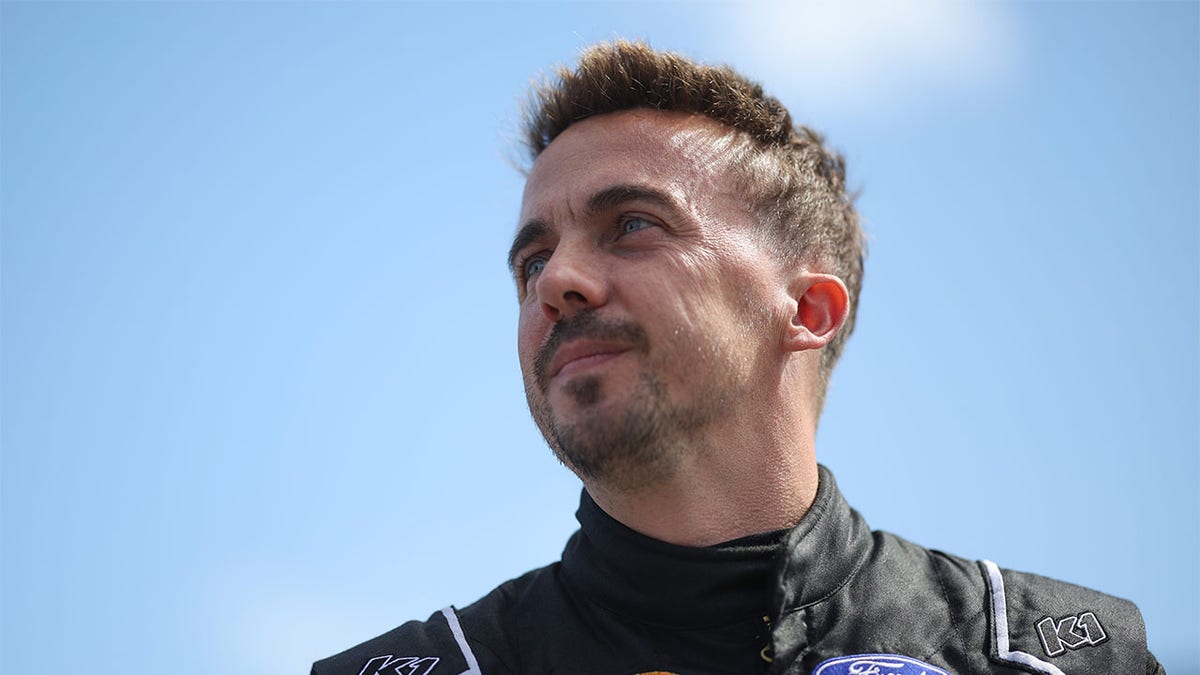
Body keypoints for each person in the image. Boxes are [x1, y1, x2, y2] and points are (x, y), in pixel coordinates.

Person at [313, 41, 1162, 675]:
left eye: (631, 225)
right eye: (532, 260)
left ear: (806, 310)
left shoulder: (1057, 653)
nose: (557, 282)